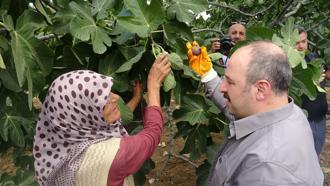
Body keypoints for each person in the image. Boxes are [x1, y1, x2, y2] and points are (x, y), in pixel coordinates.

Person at [186, 41, 323, 185]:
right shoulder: (289, 111)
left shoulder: (266, 173)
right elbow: (241, 105)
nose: (222, 87)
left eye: (230, 82)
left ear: (260, 89)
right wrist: (207, 73)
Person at [33, 53, 171, 186]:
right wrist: (154, 85)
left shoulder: (60, 147)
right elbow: (152, 135)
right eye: (102, 100)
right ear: (84, 113)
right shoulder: (109, 157)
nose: (116, 97)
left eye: (107, 92)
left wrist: (136, 98)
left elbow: (112, 124)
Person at [296, 27, 329, 156]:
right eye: (297, 43)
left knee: (316, 155)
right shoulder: (288, 64)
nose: (301, 46)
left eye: (303, 42)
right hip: (304, 121)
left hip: (320, 119)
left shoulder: (315, 59)